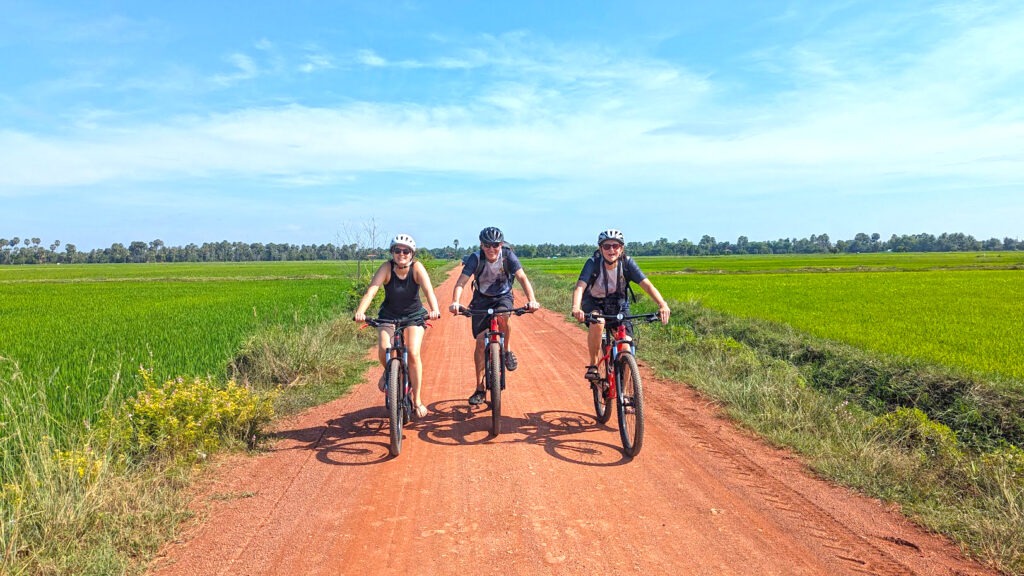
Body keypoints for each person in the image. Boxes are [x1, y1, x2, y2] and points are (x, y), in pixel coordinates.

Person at [449, 227, 540, 406]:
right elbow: (461, 282)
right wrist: (455, 301)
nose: (492, 249)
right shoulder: (476, 258)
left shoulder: (507, 256)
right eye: (487, 245)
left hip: (503, 296)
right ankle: (479, 387)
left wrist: (532, 300)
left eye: (496, 245)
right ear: (481, 245)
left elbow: (522, 278)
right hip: (481, 299)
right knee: (480, 342)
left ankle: (505, 351)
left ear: (501, 244)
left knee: (504, 315)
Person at [353, 234, 441, 418]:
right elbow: (372, 290)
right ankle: (389, 373)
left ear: (412, 253)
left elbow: (428, 290)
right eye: (397, 250)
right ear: (392, 252)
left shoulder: (417, 268)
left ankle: (416, 400)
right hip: (389, 315)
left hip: (413, 316)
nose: (402, 254)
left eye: (406, 251)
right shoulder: (386, 267)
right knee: (385, 348)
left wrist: (434, 309)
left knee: (413, 352)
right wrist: (360, 311)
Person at [571, 229, 671, 382]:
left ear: (621, 248)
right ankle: (593, 365)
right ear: (600, 249)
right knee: (598, 322)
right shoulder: (593, 263)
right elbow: (580, 286)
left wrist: (662, 304)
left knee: (626, 346)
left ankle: (625, 398)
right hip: (594, 302)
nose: (611, 250)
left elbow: (647, 285)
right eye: (606, 246)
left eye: (615, 246)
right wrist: (576, 308)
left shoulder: (627, 263)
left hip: (618, 304)